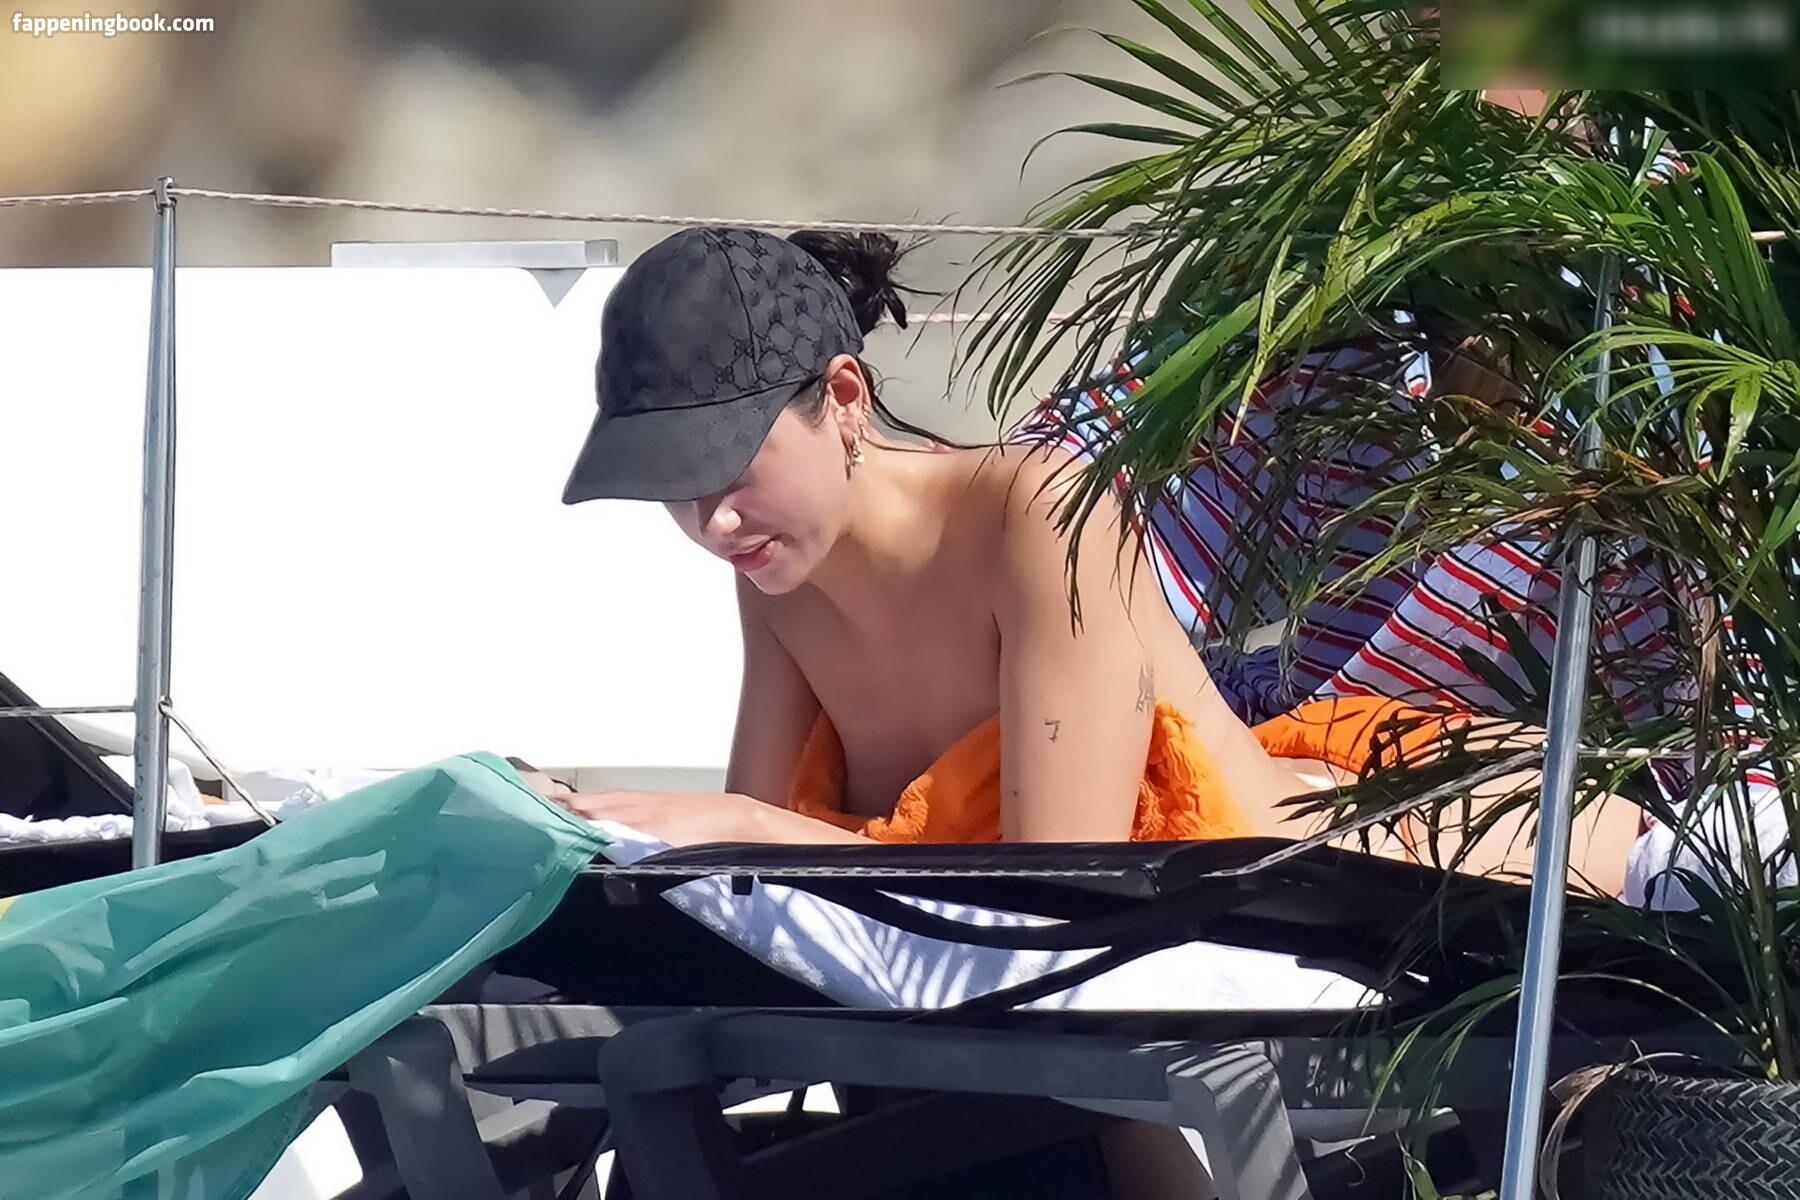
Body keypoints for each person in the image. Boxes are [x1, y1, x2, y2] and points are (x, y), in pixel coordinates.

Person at [533, 223, 1637, 891]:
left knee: (1616, 845)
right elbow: (748, 877)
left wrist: (743, 825)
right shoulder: (779, 569)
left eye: (729, 466)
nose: (713, 522)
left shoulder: (1034, 510)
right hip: (1065, 958)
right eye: (674, 486)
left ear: (845, 396)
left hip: (1362, 850)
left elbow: (1067, 877)